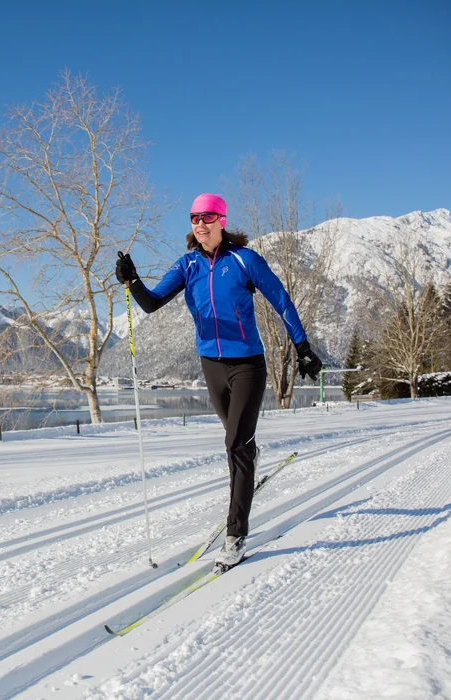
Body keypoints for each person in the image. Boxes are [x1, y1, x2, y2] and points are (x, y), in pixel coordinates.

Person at [116, 193, 322, 568]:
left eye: (207, 217)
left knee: (235, 446)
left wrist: (302, 346)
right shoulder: (188, 264)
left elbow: (281, 299)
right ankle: (250, 456)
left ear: (222, 221)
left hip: (247, 365)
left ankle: (235, 534)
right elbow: (152, 302)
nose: (200, 223)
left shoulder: (244, 260)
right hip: (211, 366)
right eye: (194, 217)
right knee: (237, 443)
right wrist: (132, 280)